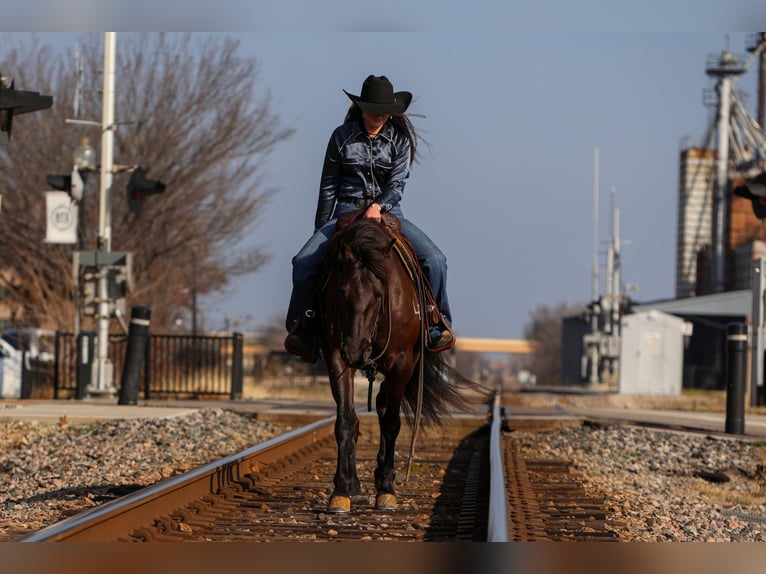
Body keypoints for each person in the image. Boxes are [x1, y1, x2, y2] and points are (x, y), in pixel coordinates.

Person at [284, 74, 453, 361]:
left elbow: (397, 184)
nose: (379, 116)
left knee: (436, 259)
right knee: (303, 262)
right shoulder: (341, 137)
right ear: (362, 108)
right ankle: (305, 326)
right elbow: (328, 186)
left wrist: (379, 206)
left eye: (384, 111)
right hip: (345, 210)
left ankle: (436, 320)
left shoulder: (398, 141)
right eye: (374, 110)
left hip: (389, 212)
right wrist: (319, 231)